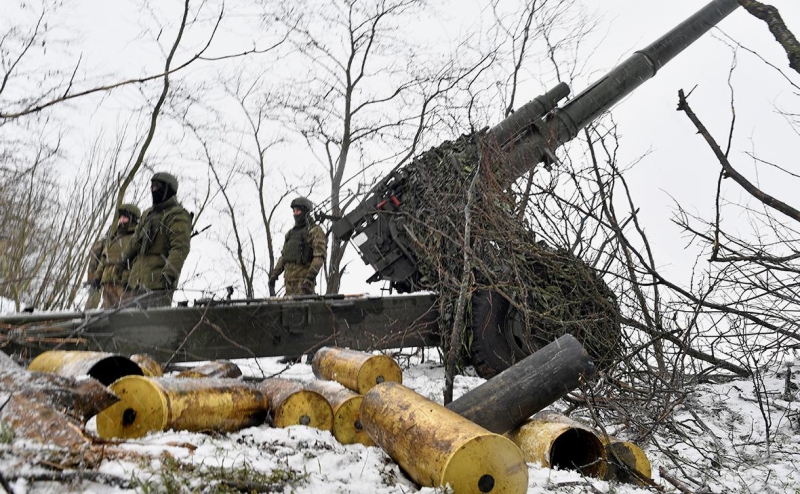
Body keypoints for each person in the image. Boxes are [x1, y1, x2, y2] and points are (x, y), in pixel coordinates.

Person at [120, 172, 192, 308]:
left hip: (157, 285)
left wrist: (169, 274)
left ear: (168, 189)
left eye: (157, 187)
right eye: (152, 187)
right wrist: (122, 263)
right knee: (128, 325)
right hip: (136, 283)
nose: (153, 190)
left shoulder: (177, 214)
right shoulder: (148, 214)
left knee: (152, 326)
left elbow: (180, 248)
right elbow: (135, 243)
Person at [269, 197, 327, 296]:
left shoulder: (314, 231)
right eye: (294, 211)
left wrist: (310, 278)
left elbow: (319, 256)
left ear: (305, 211)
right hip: (289, 285)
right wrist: (274, 275)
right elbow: (284, 257)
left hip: (304, 285)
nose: (295, 214)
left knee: (302, 309)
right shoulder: (290, 234)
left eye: (298, 210)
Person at [92, 203, 141, 309]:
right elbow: (104, 260)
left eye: (125, 218)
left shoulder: (136, 237)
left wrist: (131, 281)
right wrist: (97, 277)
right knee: (105, 316)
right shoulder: (113, 238)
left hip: (124, 284)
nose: (121, 220)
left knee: (125, 316)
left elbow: (139, 262)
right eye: (121, 217)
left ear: (132, 219)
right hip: (108, 283)